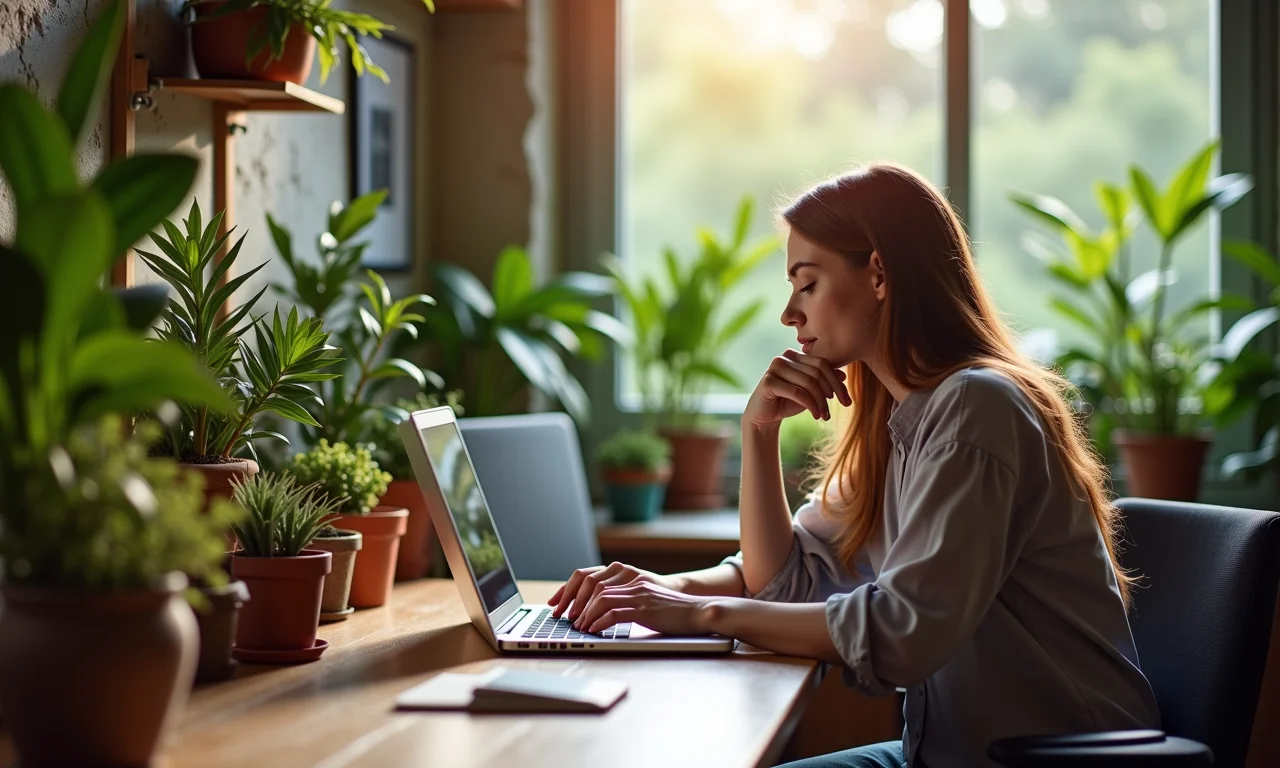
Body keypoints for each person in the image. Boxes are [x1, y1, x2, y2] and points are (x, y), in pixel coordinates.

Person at [550, 163, 1160, 768]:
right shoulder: (900, 422)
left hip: (1054, 759)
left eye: (807, 283)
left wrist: (698, 612)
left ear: (877, 275)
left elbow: (903, 634)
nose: (790, 314)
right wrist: (756, 435)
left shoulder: (978, 408)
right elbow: (782, 582)